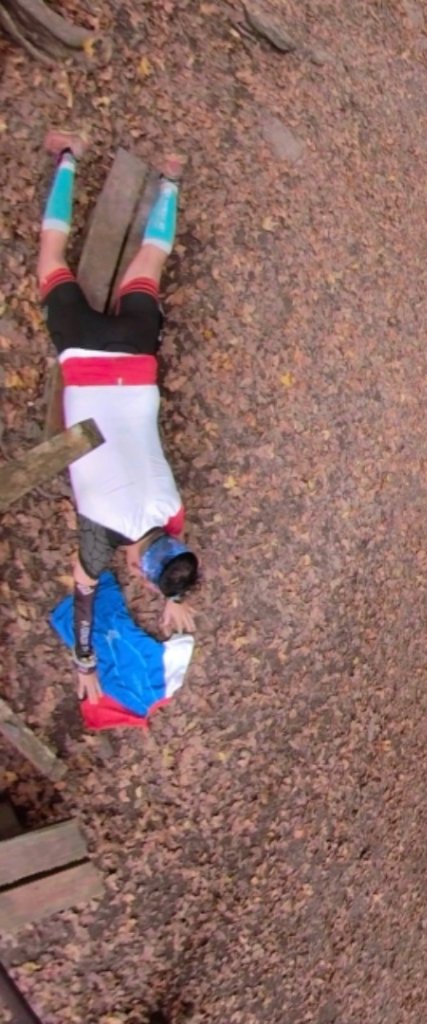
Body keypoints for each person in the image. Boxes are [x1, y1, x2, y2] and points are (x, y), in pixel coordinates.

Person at [37, 130, 198, 704]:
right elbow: (83, 596)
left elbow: (166, 537)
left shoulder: (172, 507)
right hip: (82, 355)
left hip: (134, 355)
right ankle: (68, 158)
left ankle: (171, 176)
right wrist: (85, 665)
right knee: (51, 262)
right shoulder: (100, 533)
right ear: (136, 563)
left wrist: (175, 590)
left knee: (148, 264)